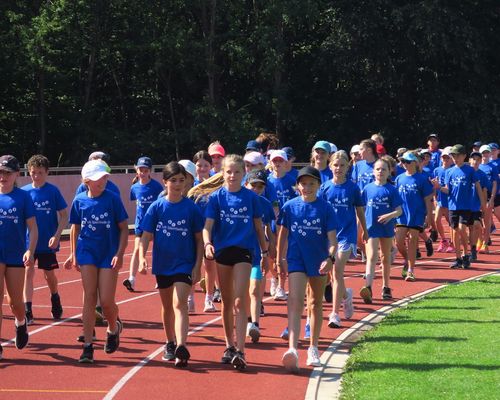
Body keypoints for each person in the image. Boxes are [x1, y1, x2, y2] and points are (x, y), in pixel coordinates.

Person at [203, 154, 268, 371]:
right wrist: (207, 244)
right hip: (222, 252)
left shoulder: (251, 198)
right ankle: (229, 345)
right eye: (229, 171)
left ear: (243, 174)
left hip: (244, 252)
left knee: (240, 301)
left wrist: (266, 252)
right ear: (222, 173)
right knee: (226, 302)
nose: (232, 175)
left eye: (237, 172)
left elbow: (259, 227)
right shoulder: (216, 198)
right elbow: (207, 227)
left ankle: (241, 350)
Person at [139, 162, 203, 367]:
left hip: (184, 263)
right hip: (163, 263)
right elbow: (146, 235)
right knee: (167, 306)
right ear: (165, 182)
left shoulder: (191, 208)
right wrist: (142, 257)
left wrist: (197, 266)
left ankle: (182, 346)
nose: (177, 184)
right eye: (173, 180)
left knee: (180, 303)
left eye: (181, 180)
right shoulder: (156, 207)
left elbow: (199, 240)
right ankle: (169, 342)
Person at [68, 159, 128, 363]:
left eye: (104, 177)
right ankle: (87, 346)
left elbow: (123, 228)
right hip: (87, 253)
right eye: (97, 179)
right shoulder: (79, 201)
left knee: (108, 302)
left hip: (108, 253)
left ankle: (113, 329)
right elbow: (75, 227)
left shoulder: (112, 199)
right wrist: (74, 254)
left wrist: (119, 253)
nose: (102, 181)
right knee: (89, 297)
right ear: (86, 181)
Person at [278, 166, 337, 372]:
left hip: (318, 260)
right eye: (303, 183)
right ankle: (292, 348)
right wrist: (279, 259)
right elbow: (283, 235)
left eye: (312, 183)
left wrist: (330, 258)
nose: (307, 187)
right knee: (295, 301)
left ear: (319, 185)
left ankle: (313, 347)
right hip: (296, 260)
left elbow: (332, 239)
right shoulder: (289, 207)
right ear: (297, 185)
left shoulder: (326, 208)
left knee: (315, 303)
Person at [318, 152, 367, 328]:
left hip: (347, 235)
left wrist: (365, 232)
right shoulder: (324, 187)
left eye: (342, 165)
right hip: (329, 236)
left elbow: (360, 211)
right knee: (332, 273)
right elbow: (319, 211)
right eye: (336, 165)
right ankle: (346, 295)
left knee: (337, 268)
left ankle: (334, 314)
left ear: (348, 167)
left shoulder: (353, 188)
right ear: (330, 166)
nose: (338, 169)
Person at [21, 155, 68, 324]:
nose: (36, 176)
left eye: (40, 172)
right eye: (33, 172)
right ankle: (28, 310)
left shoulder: (53, 191)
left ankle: (55, 297)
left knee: (49, 275)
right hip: (28, 243)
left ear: (47, 172)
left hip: (47, 242)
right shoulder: (24, 192)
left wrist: (56, 236)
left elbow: (63, 215)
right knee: (28, 272)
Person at [0, 155, 37, 360]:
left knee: (15, 302)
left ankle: (21, 323)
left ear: (16, 174)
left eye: (7, 172)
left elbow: (33, 228)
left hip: (15, 254)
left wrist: (30, 250)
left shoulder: (23, 197)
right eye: (1, 172)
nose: (3, 176)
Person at [432, 144, 485, 269]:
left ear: (464, 156)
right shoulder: (449, 172)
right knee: (455, 232)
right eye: (453, 155)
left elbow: (478, 186)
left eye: (458, 155)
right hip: (452, 206)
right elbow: (448, 190)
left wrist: (482, 203)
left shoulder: (470, 170)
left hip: (466, 206)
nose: (455, 158)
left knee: (462, 228)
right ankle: (458, 258)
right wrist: (439, 187)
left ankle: (466, 254)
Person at [360, 158, 403, 303]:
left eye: (384, 169)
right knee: (371, 257)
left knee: (385, 258)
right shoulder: (367, 189)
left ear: (389, 172)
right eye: (378, 169)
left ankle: (386, 287)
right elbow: (361, 210)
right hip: (371, 228)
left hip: (386, 227)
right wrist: (361, 227)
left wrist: (389, 215)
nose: (380, 172)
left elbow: (399, 211)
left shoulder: (392, 190)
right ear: (373, 171)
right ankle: (368, 287)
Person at [244, 169, 276, 343]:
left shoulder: (265, 204)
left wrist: (272, 249)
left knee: (255, 289)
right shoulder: (240, 202)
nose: (256, 189)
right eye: (253, 185)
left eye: (260, 186)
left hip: (257, 254)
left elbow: (268, 229)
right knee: (242, 293)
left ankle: (254, 323)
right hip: (239, 254)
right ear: (246, 184)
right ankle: (247, 320)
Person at [123, 157, 163, 292]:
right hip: (140, 224)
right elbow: (137, 204)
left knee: (158, 250)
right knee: (136, 249)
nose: (143, 172)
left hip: (155, 223)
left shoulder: (157, 187)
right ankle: (131, 279)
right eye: (140, 169)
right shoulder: (134, 188)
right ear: (136, 170)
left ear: (150, 171)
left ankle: (160, 277)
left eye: (146, 170)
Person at [394, 152, 434, 282]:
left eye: (407, 161)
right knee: (399, 241)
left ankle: (410, 270)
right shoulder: (399, 178)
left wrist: (428, 216)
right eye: (403, 161)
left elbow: (428, 199)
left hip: (417, 214)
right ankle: (407, 259)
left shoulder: (422, 179)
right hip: (402, 214)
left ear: (414, 163)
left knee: (412, 240)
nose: (405, 164)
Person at [267, 150, 297, 301]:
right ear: (271, 163)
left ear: (286, 163)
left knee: (282, 254)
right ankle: (274, 277)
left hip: (286, 223)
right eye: (274, 161)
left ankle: (281, 286)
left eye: (280, 161)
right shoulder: (267, 181)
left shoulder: (292, 181)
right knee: (271, 255)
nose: (277, 164)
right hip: (271, 222)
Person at [433, 147, 455, 253]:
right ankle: (443, 240)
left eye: (448, 158)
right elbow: (434, 185)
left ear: (451, 159)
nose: (445, 160)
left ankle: (453, 242)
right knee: (437, 220)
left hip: (450, 200)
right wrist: (434, 198)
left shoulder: (453, 170)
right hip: (440, 199)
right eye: (444, 158)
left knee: (450, 222)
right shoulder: (437, 170)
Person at [477, 145, 498, 253]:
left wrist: (492, 199)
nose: (485, 155)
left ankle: (485, 243)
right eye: (483, 153)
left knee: (487, 221)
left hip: (488, 196)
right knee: (477, 222)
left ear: (490, 154)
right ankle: (480, 240)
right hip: (476, 196)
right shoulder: (476, 167)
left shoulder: (492, 167)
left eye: (487, 152)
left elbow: (494, 184)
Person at [468, 151, 488, 261]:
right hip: (464, 205)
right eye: (473, 159)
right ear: (470, 160)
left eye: (478, 159)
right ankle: (466, 250)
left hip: (475, 206)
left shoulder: (482, 175)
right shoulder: (465, 172)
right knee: (463, 229)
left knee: (474, 226)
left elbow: (484, 191)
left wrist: (483, 206)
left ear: (480, 161)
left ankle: (473, 250)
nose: (475, 161)